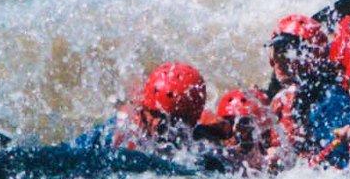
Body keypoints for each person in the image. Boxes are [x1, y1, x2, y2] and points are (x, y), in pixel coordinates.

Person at [67, 61, 231, 171]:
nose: (158, 125)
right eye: (154, 115)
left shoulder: (202, 144)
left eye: (170, 121)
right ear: (143, 108)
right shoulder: (119, 131)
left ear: (190, 122)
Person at [266, 14, 350, 158]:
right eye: (278, 50)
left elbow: (336, 156)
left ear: (311, 58)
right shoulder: (282, 95)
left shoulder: (331, 99)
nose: (281, 60)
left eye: (289, 53)